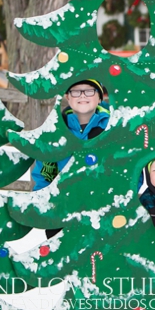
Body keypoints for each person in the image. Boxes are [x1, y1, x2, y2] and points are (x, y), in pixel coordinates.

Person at [31, 79, 111, 238]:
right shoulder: (55, 132)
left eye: (89, 90)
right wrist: (46, 203)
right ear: (67, 97)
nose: (82, 96)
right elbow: (45, 173)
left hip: (103, 210)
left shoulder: (112, 127)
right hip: (62, 210)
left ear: (100, 97)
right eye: (76, 91)